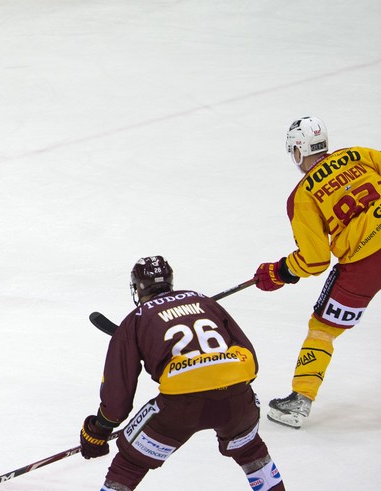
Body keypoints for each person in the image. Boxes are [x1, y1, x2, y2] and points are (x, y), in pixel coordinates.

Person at [80, 256, 284, 491]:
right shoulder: (204, 302)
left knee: (130, 463)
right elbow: (249, 355)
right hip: (237, 397)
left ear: (137, 287)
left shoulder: (135, 320)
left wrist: (98, 431)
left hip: (181, 407)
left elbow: (118, 395)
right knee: (251, 451)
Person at [253, 116, 381, 429]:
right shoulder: (359, 154)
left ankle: (300, 401)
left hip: (364, 264)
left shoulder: (302, 195)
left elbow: (314, 260)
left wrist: (280, 271)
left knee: (322, 328)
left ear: (298, 151)